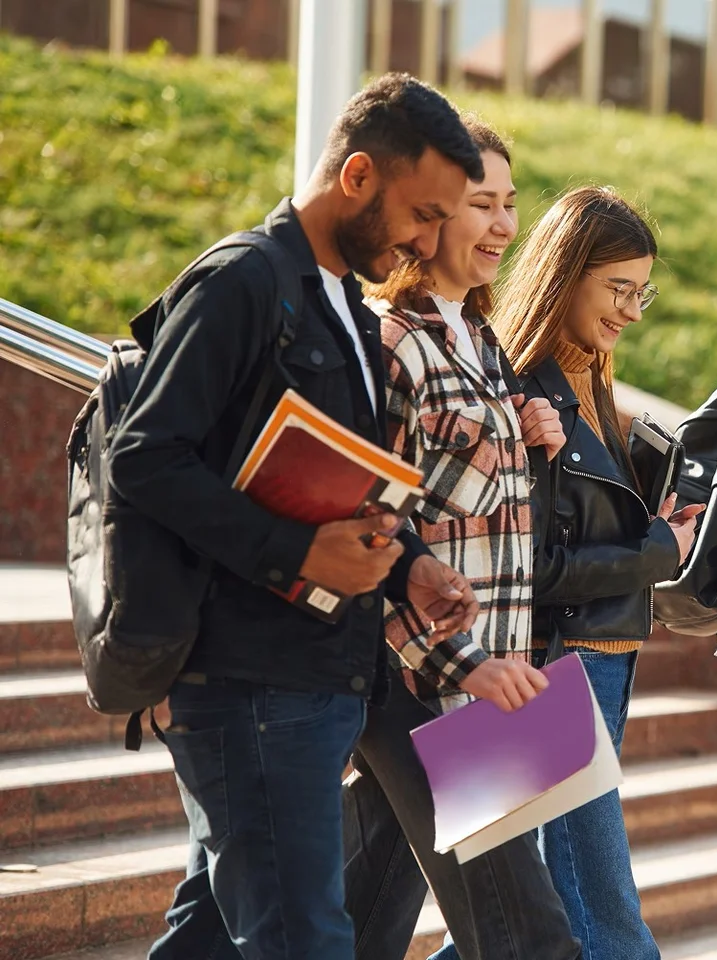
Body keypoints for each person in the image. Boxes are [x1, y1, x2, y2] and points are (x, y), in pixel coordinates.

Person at [107, 74, 485, 960]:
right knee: (306, 940)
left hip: (312, 683)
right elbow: (145, 456)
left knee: (210, 940)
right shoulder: (243, 281)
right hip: (249, 685)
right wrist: (297, 552)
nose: (433, 242)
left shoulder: (346, 304)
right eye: (424, 214)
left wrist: (410, 566)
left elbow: (334, 484)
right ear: (358, 176)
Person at [431, 186, 705, 960]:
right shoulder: (527, 392)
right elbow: (533, 569)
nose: (632, 311)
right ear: (566, 273)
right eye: (618, 289)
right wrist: (657, 553)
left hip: (593, 666)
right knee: (603, 926)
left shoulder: (591, 384)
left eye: (640, 292)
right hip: (555, 671)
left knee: (515, 920)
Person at [342, 115, 581, 960]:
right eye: (485, 203)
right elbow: (376, 524)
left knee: (360, 916)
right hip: (426, 680)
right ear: (433, 212)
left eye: (511, 203)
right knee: (528, 937)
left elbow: (480, 509)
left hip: (492, 676)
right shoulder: (388, 343)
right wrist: (462, 671)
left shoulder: (482, 341)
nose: (507, 225)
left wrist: (528, 428)